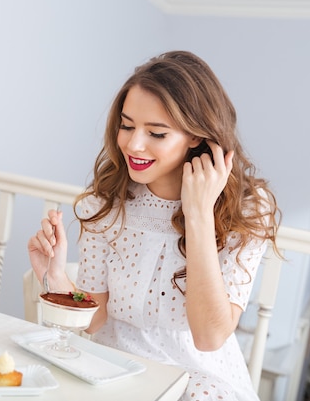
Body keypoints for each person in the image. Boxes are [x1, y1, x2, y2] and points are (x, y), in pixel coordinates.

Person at [28, 50, 280, 401]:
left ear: (196, 136)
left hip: (198, 377)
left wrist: (198, 213)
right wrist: (55, 277)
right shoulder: (106, 203)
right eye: (127, 125)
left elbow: (208, 337)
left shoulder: (249, 210)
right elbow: (96, 320)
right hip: (115, 364)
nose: (134, 144)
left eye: (156, 133)